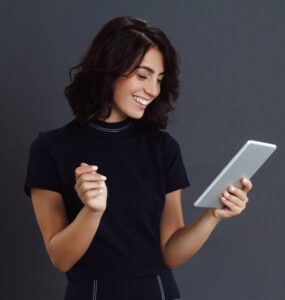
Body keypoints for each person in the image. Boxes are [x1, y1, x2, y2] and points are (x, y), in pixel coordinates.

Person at [23, 16, 253, 300]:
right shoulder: (51, 148)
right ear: (108, 69)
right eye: (143, 76)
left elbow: (170, 252)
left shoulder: (163, 147)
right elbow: (61, 258)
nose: (153, 90)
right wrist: (92, 211)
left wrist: (212, 215)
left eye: (159, 79)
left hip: (159, 292)